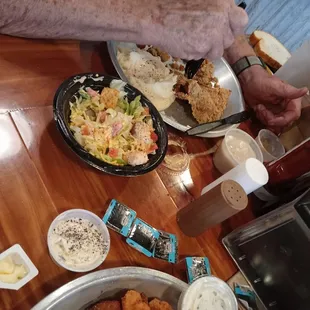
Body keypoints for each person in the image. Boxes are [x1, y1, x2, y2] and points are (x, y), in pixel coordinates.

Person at [0, 0, 307, 131]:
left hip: (108, 104)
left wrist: (248, 70)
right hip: (21, 84)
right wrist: (156, 18)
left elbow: (211, 12)